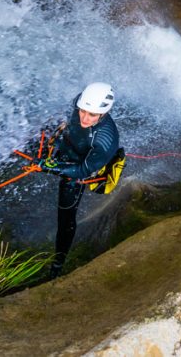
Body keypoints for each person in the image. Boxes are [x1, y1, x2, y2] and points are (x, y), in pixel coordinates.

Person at [33, 82, 120, 277]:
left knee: (65, 216)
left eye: (91, 115)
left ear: (103, 114)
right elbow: (69, 116)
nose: (85, 117)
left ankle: (58, 263)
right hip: (68, 146)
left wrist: (50, 166)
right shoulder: (81, 102)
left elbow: (82, 170)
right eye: (82, 111)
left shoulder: (105, 141)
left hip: (81, 165)